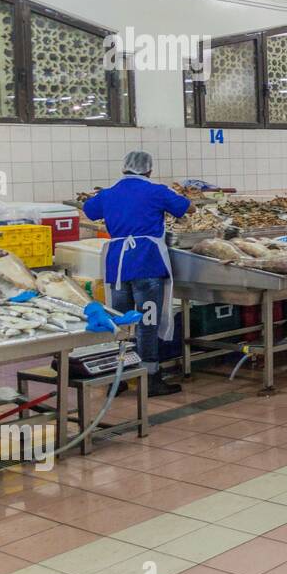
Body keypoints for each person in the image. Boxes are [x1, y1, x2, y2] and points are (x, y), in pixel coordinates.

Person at [82, 151, 193, 397]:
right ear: (149, 170)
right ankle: (150, 378)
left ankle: (117, 377)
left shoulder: (108, 193)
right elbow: (186, 208)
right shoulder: (157, 191)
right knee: (147, 322)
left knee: (120, 323)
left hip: (117, 266)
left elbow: (89, 211)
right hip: (147, 262)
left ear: (124, 169)